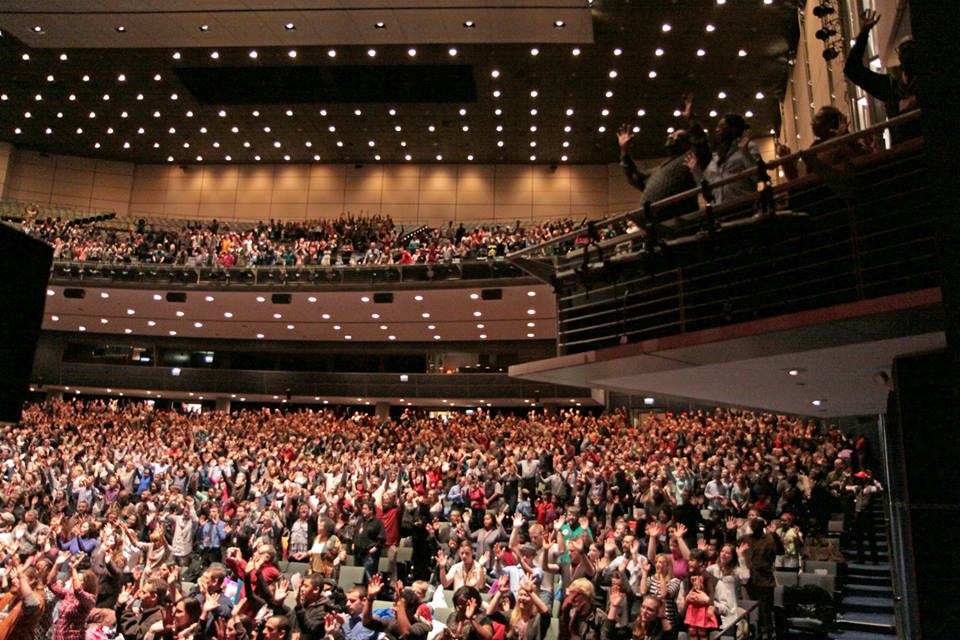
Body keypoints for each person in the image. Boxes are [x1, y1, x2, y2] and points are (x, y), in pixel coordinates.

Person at [616, 101, 710, 223]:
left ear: (687, 144)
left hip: (680, 221)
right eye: (672, 134)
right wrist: (624, 152)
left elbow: (701, 146)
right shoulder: (658, 170)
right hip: (655, 225)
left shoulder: (689, 158)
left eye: (677, 136)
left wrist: (691, 119)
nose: (670, 136)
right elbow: (635, 177)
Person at [844, 10, 919, 123]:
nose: (907, 54)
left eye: (910, 49)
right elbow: (852, 69)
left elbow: (851, 69)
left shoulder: (890, 88)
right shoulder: (890, 87)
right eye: (905, 50)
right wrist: (864, 33)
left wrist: (864, 33)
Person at [740, 518, 783, 640]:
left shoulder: (770, 539)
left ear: (762, 526)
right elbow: (733, 546)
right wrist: (731, 531)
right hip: (748, 580)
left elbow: (780, 551)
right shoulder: (746, 538)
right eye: (753, 524)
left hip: (765, 580)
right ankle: (752, 633)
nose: (755, 526)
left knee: (765, 611)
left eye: (757, 524)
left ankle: (767, 634)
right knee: (749, 610)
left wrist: (775, 535)